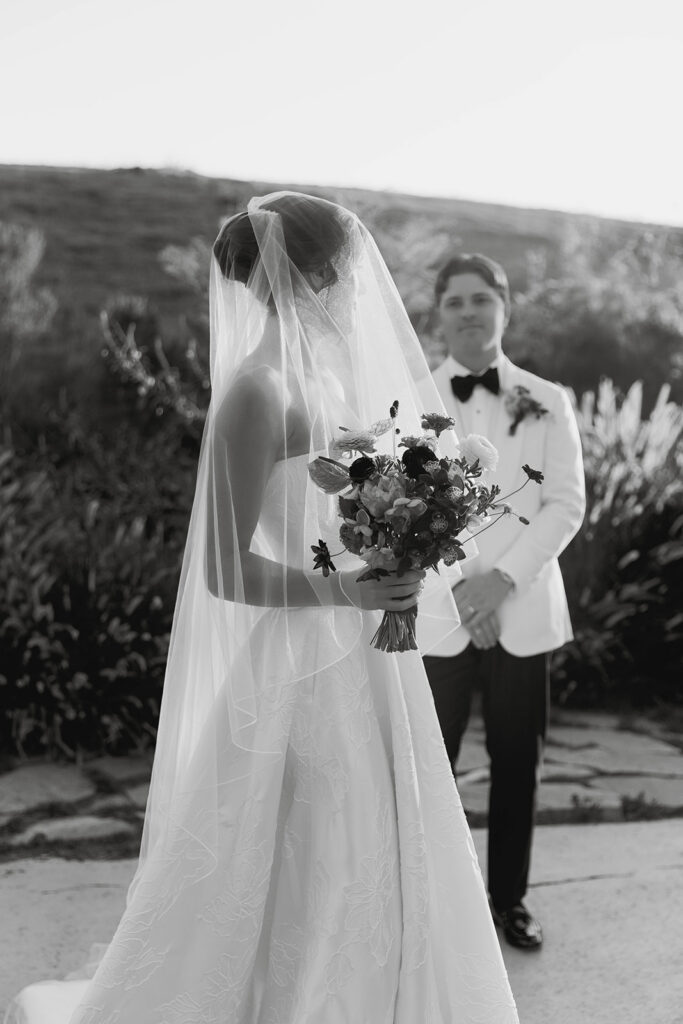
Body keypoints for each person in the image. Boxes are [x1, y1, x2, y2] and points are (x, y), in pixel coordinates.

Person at [5, 197, 519, 1023]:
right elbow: (222, 568)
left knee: (376, 846)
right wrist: (345, 588)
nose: (359, 288)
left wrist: (398, 549)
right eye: (348, 271)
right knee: (314, 849)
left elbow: (352, 507)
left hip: (361, 654)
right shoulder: (257, 389)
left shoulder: (324, 377)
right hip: (297, 659)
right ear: (314, 275)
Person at [421, 253, 586, 951]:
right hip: (441, 613)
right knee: (431, 769)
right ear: (437, 315)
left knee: (518, 765)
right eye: (454, 300)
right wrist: (463, 587)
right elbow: (406, 513)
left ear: (503, 308)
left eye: (480, 299)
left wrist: (501, 582)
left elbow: (564, 503)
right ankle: (436, 907)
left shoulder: (548, 399)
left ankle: (508, 903)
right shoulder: (410, 401)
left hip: (522, 613)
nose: (467, 311)